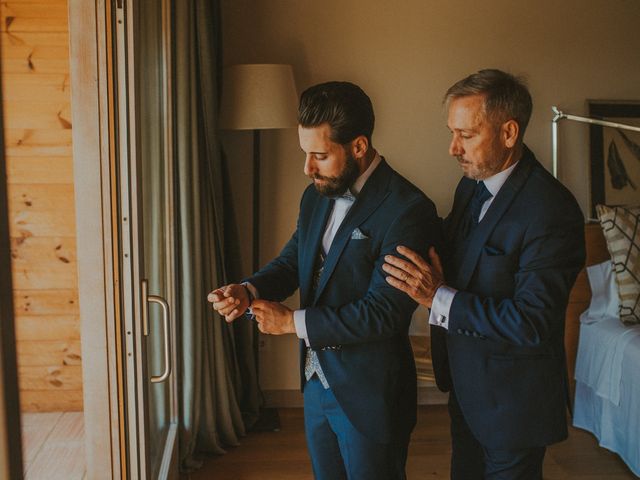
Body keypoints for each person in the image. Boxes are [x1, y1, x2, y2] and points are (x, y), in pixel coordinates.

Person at [208, 81, 440, 479]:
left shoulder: (409, 209)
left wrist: (291, 323)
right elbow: (291, 263)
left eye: (319, 155)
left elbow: (383, 312)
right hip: (316, 382)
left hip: (370, 392)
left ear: (359, 146)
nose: (307, 168)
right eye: (305, 154)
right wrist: (248, 291)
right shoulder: (314, 195)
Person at [383, 69, 586, 479]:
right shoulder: (472, 185)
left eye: (467, 135)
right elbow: (456, 247)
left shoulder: (552, 212)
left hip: (514, 407)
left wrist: (436, 296)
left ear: (509, 133)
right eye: (451, 132)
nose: (453, 148)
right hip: (467, 389)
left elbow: (531, 322)